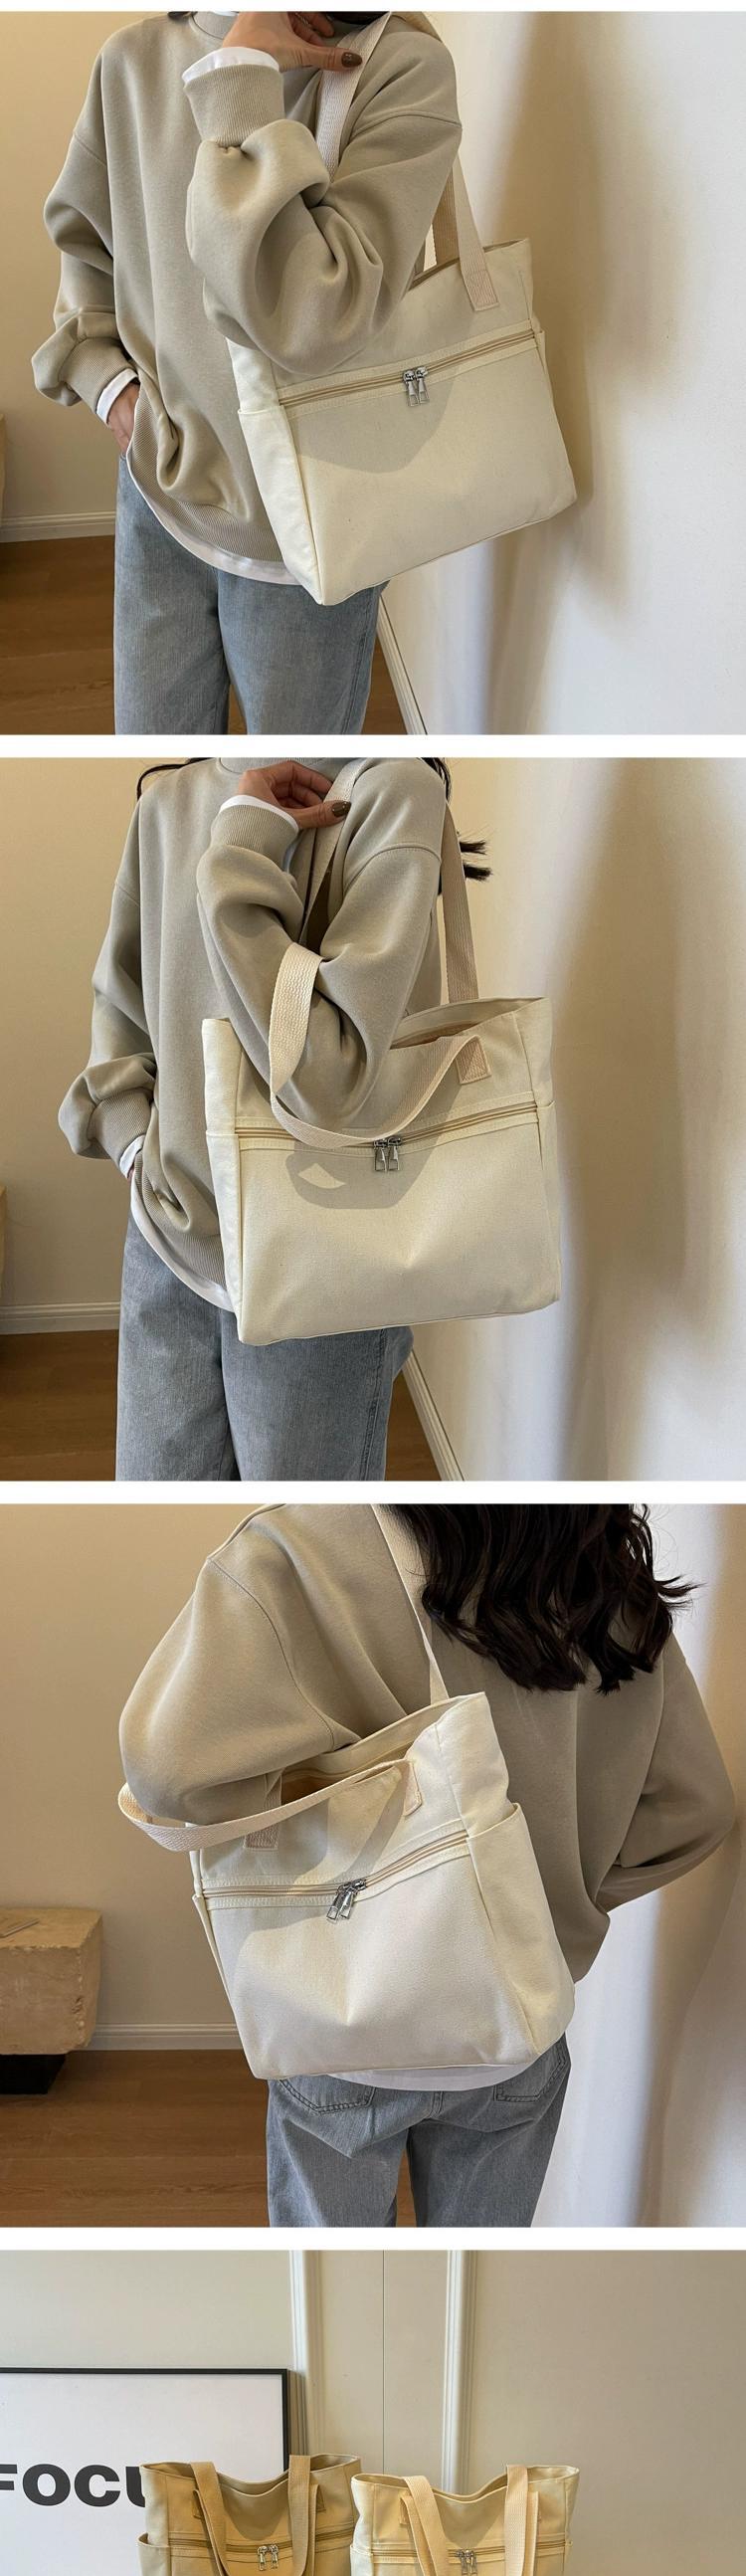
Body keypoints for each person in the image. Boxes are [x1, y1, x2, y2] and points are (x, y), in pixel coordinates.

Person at [118, 1501, 736, 2227]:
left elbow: (166, 1771)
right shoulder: (604, 1577)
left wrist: (324, 1803)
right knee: (478, 2268)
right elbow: (696, 1808)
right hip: (516, 2022)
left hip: (348, 2024)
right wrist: (557, 1898)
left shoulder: (299, 1547)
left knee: (340, 2277)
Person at [58, 754, 485, 1481]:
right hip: (167, 1232)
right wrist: (132, 1147)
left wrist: (243, 847)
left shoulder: (393, 795)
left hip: (324, 1261)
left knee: (300, 1517)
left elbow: (325, 1078)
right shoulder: (168, 800)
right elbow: (122, 1002)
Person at [32, 10, 461, 731]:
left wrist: (238, 86)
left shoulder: (400, 66)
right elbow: (88, 242)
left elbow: (312, 319)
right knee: (157, 753)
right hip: (157, 493)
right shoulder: (134, 59)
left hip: (312, 534)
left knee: (301, 775)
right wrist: (111, 389)